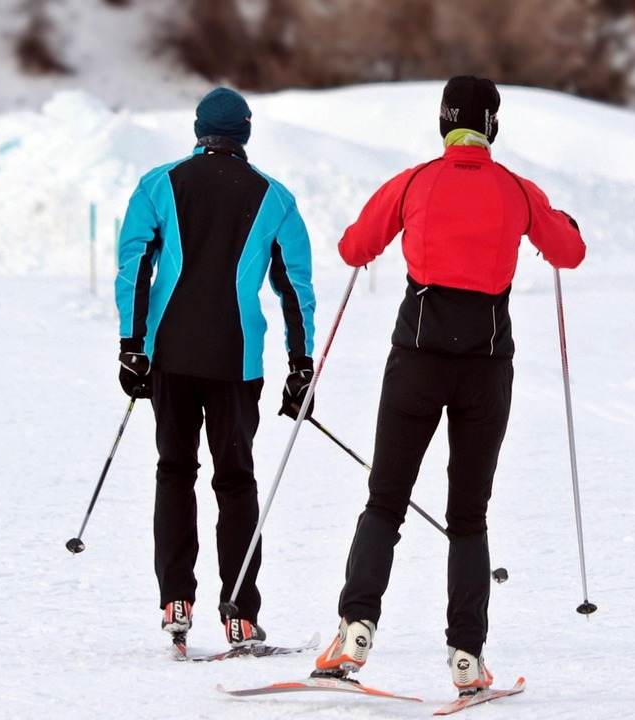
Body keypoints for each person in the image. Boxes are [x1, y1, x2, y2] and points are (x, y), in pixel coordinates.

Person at [312, 76, 586, 693]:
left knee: (386, 499)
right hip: (486, 370)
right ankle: (467, 656)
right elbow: (568, 252)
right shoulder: (517, 190)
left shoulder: (414, 182)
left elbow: (354, 248)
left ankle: (355, 629)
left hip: (416, 361)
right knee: (468, 516)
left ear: (443, 123)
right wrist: (561, 221)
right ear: (491, 125)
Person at [114, 86, 317, 651]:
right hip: (236, 361)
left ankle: (176, 599)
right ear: (245, 132)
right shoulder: (274, 198)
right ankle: (240, 614)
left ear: (199, 129)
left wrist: (132, 346)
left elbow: (135, 266)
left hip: (170, 357)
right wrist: (301, 366)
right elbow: (294, 290)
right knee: (235, 482)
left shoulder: (158, 184)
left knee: (174, 472)